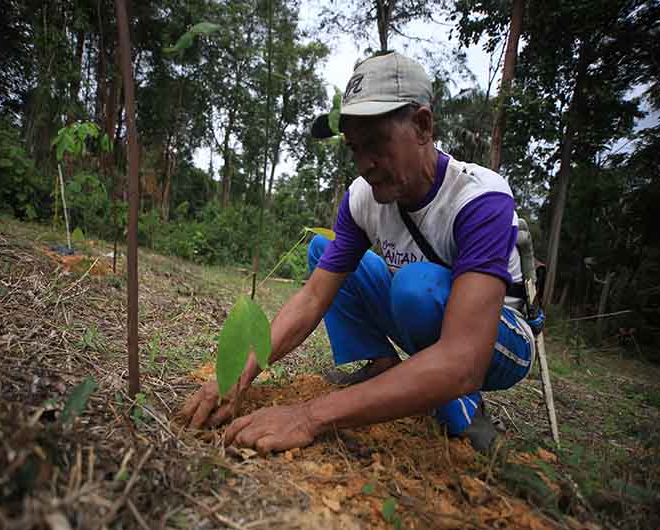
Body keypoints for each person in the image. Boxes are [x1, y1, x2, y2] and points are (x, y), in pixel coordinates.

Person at [181, 51, 536, 454]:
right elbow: (314, 296)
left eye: (377, 143)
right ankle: (381, 369)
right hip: (423, 308)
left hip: (497, 337)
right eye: (355, 148)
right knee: (323, 250)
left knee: (415, 288)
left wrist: (310, 415)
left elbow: (465, 357)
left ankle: (462, 408)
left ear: (422, 126)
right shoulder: (362, 199)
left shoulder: (479, 199)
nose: (365, 163)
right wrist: (238, 376)